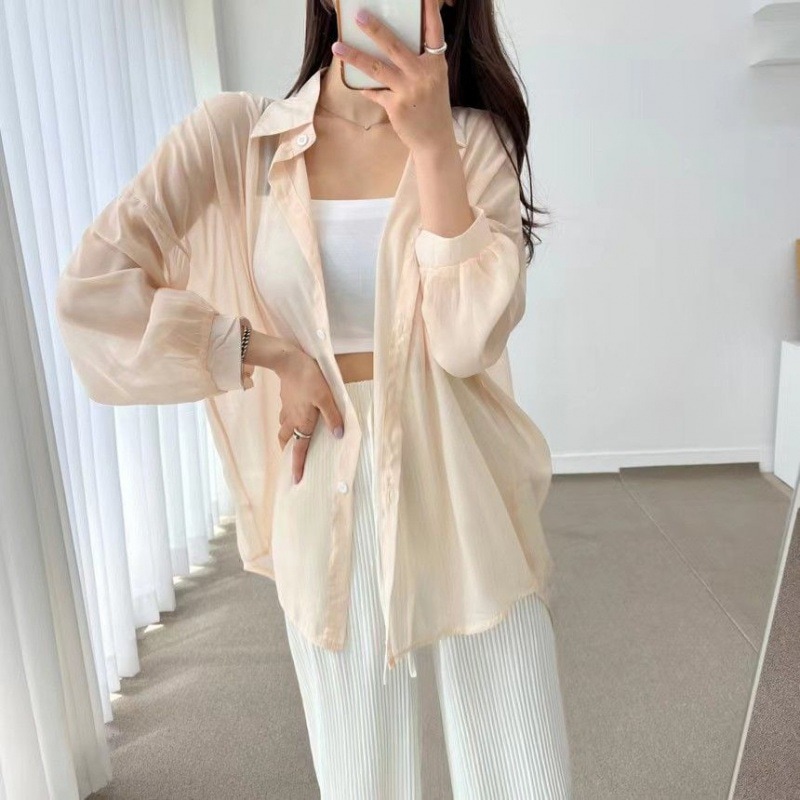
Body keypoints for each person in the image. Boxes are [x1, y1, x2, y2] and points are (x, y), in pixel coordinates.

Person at [55, 0, 573, 796]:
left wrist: (433, 146)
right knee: (362, 774)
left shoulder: (474, 141)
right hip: (325, 472)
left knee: (521, 769)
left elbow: (465, 342)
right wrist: (265, 354)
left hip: (463, 470)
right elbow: (94, 291)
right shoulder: (241, 137)